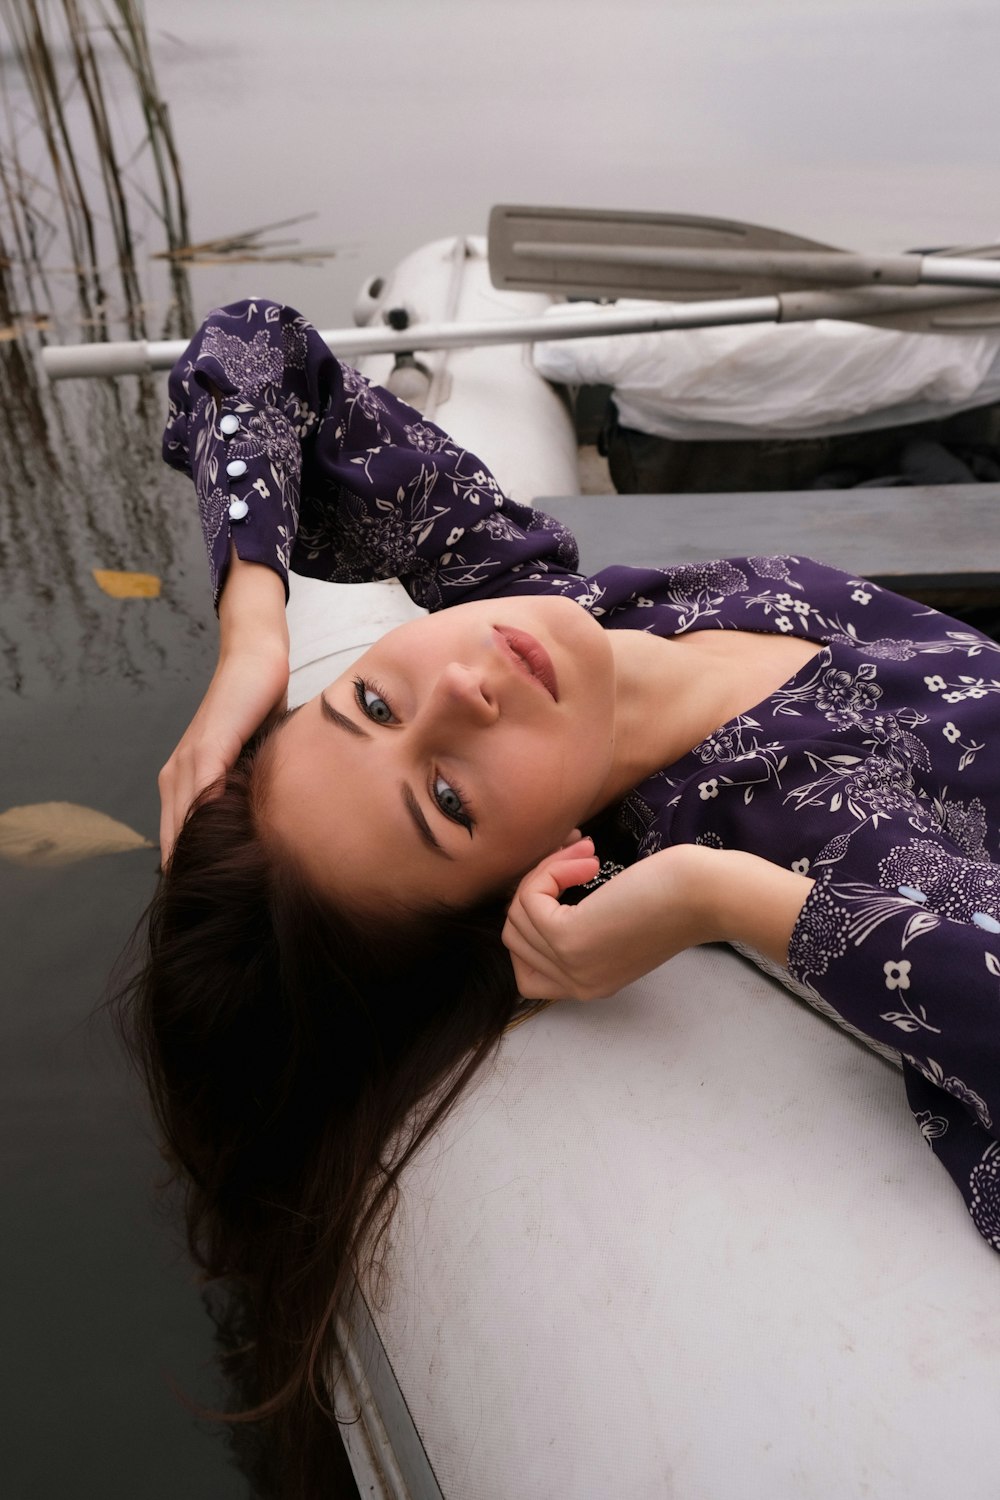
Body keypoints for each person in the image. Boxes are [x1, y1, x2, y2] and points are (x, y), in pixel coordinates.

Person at [123, 299, 1000, 1489]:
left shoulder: (532, 590)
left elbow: (258, 344)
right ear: (527, 877)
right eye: (447, 801)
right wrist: (715, 896)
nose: (458, 697)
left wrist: (252, 617)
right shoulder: (803, 830)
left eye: (371, 704)